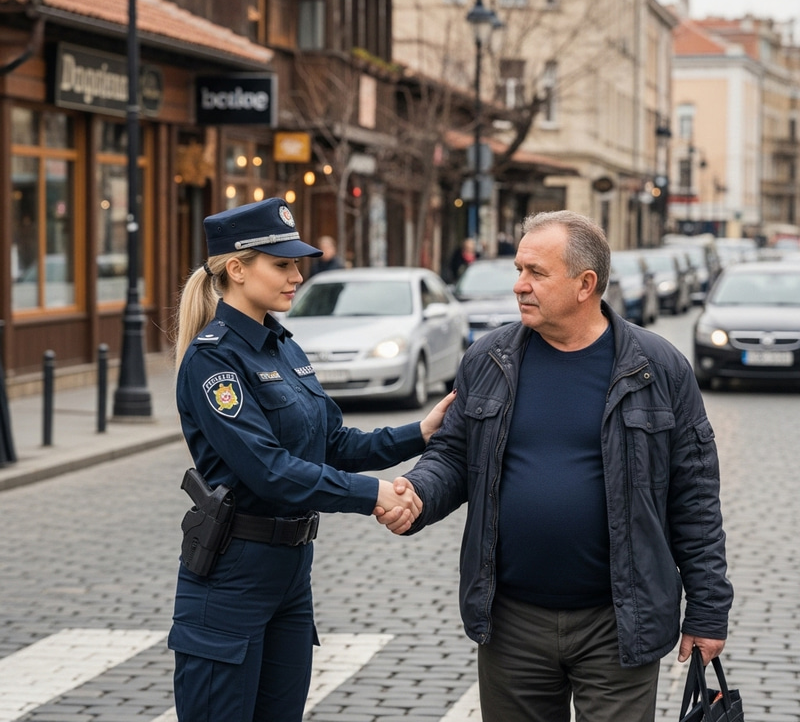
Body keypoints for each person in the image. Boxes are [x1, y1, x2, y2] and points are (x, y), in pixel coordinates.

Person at [378, 210, 733, 722]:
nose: (520, 285)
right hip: (512, 623)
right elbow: (454, 455)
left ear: (585, 283)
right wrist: (417, 493)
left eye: (536, 273)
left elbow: (695, 498)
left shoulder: (659, 368)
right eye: (519, 269)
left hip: (619, 623)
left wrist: (707, 609)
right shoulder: (489, 359)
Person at [167, 197, 454, 722]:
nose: (296, 275)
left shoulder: (282, 346)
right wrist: (373, 496)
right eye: (281, 264)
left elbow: (334, 442)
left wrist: (420, 432)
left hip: (290, 574)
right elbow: (268, 470)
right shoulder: (214, 358)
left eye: (296, 263)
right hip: (234, 575)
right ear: (236, 268)